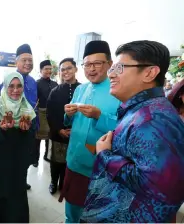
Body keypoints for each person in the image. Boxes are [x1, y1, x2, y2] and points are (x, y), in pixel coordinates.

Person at [81, 40, 184, 223]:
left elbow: (157, 186)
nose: (111, 73)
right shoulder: (142, 110)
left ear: (149, 72)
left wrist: (105, 154)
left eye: (119, 68)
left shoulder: (154, 119)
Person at [59, 40, 121, 223]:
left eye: (97, 63)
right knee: (71, 210)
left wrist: (99, 116)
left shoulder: (117, 90)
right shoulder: (80, 89)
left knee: (94, 214)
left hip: (98, 166)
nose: (91, 69)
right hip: (74, 160)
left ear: (110, 64)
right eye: (87, 64)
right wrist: (67, 115)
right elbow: (70, 122)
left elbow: (124, 128)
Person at [0, 72, 36, 222]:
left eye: (19, 86)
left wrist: (25, 130)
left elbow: (32, 136)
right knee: (1, 191)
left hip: (19, 159)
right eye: (11, 86)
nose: (15, 90)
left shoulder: (26, 107)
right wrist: (1, 129)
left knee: (17, 191)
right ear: (5, 87)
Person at [46, 58, 80, 194]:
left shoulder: (83, 90)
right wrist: (59, 129)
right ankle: (54, 182)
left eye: (69, 68)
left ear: (76, 69)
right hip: (58, 133)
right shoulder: (55, 91)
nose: (66, 72)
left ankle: (64, 184)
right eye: (63, 69)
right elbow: (50, 114)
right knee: (56, 161)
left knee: (69, 161)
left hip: (76, 133)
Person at [15, 43, 38, 190]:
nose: (28, 63)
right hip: (16, 128)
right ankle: (15, 183)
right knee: (15, 159)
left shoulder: (32, 81)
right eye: (24, 60)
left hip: (31, 128)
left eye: (30, 60)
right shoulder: (12, 80)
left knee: (26, 158)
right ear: (17, 61)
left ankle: (22, 180)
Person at [35, 60, 58, 166]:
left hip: (53, 113)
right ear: (41, 70)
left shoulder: (55, 84)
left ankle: (47, 155)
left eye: (50, 68)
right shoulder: (37, 83)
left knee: (50, 136)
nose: (48, 71)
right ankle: (35, 159)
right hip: (41, 112)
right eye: (46, 69)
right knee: (38, 138)